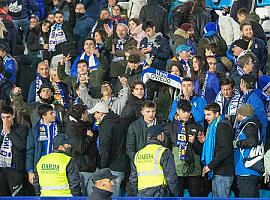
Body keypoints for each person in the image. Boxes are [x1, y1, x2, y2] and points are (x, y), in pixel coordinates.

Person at [89, 101, 129, 196]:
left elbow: (105, 146)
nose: (94, 116)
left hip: (112, 165)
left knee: (111, 194)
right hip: (122, 163)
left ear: (101, 113)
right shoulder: (120, 121)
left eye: (95, 113)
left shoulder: (106, 125)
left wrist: (103, 166)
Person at [165, 100, 203, 197]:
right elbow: (166, 149)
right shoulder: (170, 127)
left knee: (196, 197)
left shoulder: (197, 126)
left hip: (194, 170)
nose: (186, 114)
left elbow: (201, 150)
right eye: (183, 111)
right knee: (177, 197)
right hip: (177, 170)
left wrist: (194, 142)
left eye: (188, 111)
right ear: (177, 111)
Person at [130, 125, 179, 197]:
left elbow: (133, 179)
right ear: (160, 136)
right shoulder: (164, 152)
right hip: (160, 193)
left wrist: (136, 194)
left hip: (142, 194)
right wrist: (175, 195)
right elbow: (171, 178)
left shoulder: (138, 154)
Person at [201, 103, 234, 198]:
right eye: (205, 115)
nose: (206, 117)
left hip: (223, 172)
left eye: (208, 114)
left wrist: (210, 166)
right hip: (218, 171)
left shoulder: (222, 126)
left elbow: (224, 150)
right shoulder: (215, 125)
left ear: (216, 114)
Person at [65, 104, 99, 195]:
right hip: (81, 168)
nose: (88, 114)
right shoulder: (71, 128)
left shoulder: (87, 125)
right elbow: (80, 148)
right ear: (82, 115)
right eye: (86, 112)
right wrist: (88, 137)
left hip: (92, 166)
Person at [26, 104, 61, 188]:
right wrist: (30, 171)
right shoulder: (34, 131)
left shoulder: (60, 128)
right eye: (51, 113)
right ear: (44, 116)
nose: (54, 115)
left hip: (57, 167)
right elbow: (30, 151)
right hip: (41, 168)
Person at [234, 104, 261, 198]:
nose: (236, 116)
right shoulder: (249, 125)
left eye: (237, 114)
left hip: (247, 171)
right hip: (246, 171)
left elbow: (252, 141)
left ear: (241, 114)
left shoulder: (249, 125)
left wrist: (237, 143)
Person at [0, 106, 28, 196]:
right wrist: (2, 134)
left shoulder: (22, 129)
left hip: (15, 170)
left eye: (8, 117)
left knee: (17, 196)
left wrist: (9, 132)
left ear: (13, 116)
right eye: (3, 117)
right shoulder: (0, 130)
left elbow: (21, 146)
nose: (5, 120)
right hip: (2, 170)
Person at [239, 74, 268, 143]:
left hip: (253, 137)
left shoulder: (254, 98)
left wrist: (261, 141)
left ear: (243, 83)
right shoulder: (246, 96)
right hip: (248, 134)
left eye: (240, 82)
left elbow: (262, 119)